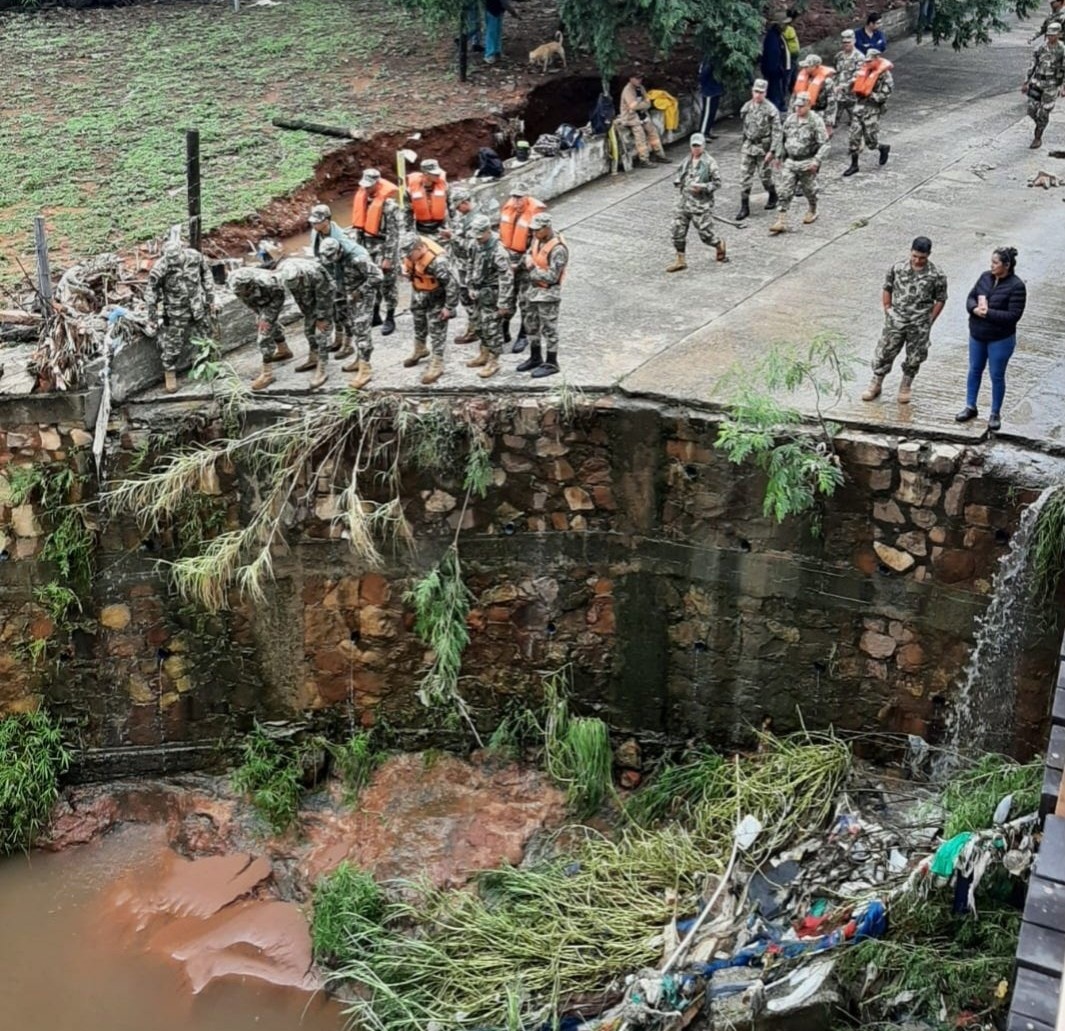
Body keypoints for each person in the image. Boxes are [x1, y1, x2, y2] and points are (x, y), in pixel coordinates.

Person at [860, 236, 948, 405]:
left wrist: (930, 319)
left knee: (915, 356)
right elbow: (887, 287)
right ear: (911, 252)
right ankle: (876, 383)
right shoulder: (898, 268)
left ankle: (905, 385)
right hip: (897, 320)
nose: (917, 260)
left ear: (929, 255)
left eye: (922, 257)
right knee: (885, 351)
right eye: (915, 256)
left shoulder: (936, 274)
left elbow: (941, 299)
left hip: (919, 322)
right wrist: (887, 308)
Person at [955, 247, 1027, 431]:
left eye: (996, 263)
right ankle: (970, 405)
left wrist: (989, 313)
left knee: (996, 375)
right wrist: (973, 309)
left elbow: (1013, 316)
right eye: (992, 262)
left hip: (1000, 338)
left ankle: (995, 412)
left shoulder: (1017, 286)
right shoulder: (985, 277)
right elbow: (971, 297)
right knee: (974, 370)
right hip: (978, 334)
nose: (992, 266)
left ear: (1007, 265)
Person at [144, 237, 216, 394]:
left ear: (182, 252)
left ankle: (211, 366)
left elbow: (206, 274)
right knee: (173, 345)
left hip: (198, 306)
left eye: (176, 258)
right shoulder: (160, 268)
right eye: (171, 259)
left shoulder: (194, 257)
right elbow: (151, 295)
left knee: (207, 336)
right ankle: (170, 374)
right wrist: (152, 318)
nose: (174, 262)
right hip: (176, 311)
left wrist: (210, 297)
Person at [317, 235, 384, 390]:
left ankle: (365, 369)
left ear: (339, 250)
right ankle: (359, 359)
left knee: (362, 331)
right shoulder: (335, 257)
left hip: (362, 295)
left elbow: (377, 276)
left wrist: (359, 292)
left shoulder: (357, 258)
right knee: (353, 327)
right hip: (348, 292)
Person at [399, 233, 460, 385]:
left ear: (420, 248)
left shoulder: (438, 262)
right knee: (419, 322)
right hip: (419, 292)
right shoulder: (411, 253)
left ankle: (437, 362)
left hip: (436, 296)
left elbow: (452, 285)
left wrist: (449, 307)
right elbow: (409, 267)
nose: (408, 257)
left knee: (436, 328)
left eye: (410, 254)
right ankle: (420, 349)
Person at [769, 92, 829, 234]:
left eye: (801, 106)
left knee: (810, 190)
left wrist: (816, 161)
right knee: (784, 191)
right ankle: (781, 219)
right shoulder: (790, 120)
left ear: (808, 105)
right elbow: (782, 139)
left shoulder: (815, 121)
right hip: (790, 161)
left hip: (806, 161)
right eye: (796, 106)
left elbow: (825, 144)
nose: (798, 109)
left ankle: (812, 209)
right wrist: (778, 156)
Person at [350, 168, 400, 336]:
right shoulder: (363, 199)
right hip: (367, 247)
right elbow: (358, 227)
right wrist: (357, 251)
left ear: (377, 184)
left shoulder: (390, 206)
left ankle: (391, 316)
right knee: (372, 282)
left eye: (369, 186)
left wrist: (388, 257)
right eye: (364, 185)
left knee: (388, 284)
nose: (366, 189)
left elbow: (394, 234)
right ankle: (375, 313)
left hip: (383, 247)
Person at [464, 213, 514, 380]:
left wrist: (504, 302)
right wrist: (470, 284)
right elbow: (469, 263)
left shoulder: (499, 252)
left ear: (488, 231)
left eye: (480, 235)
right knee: (478, 325)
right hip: (478, 292)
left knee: (492, 328)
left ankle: (494, 360)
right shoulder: (474, 244)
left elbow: (506, 278)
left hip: (493, 294)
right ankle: (483, 354)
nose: (477, 239)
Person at [667, 132, 727, 270]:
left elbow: (717, 183)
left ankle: (718, 244)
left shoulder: (709, 163)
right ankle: (680, 259)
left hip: (700, 204)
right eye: (694, 146)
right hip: (683, 202)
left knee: (706, 235)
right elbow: (680, 174)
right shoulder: (686, 161)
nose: (696, 149)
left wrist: (703, 188)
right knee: (677, 230)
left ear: (703, 146)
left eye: (698, 146)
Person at [497, 181, 545, 353]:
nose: (516, 201)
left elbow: (537, 242)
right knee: (505, 297)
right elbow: (501, 235)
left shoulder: (536, 215)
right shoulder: (508, 209)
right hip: (507, 259)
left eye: (520, 197)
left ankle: (523, 335)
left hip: (525, 262)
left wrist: (522, 261)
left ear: (527, 197)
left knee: (526, 301)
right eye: (514, 197)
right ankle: (504, 331)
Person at [519, 212, 568, 378]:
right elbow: (529, 253)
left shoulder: (558, 249)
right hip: (533, 291)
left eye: (537, 230)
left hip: (548, 293)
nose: (534, 233)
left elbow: (553, 276)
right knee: (531, 324)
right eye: (532, 230)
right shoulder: (537, 239)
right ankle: (535, 356)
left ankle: (552, 362)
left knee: (549, 328)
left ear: (547, 228)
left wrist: (532, 268)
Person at [227, 266, 289, 392]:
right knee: (263, 322)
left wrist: (267, 318)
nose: (238, 291)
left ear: (250, 285)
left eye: (242, 289)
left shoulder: (270, 283)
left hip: (273, 299)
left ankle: (267, 375)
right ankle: (284, 350)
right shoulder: (233, 281)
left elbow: (278, 298)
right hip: (255, 301)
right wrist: (259, 314)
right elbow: (243, 298)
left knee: (264, 334)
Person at [279, 257, 334, 390]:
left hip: (324, 297)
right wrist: (308, 314)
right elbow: (297, 296)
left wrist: (321, 318)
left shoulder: (315, 274)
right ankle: (313, 358)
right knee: (309, 330)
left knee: (322, 333)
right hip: (307, 299)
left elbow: (325, 297)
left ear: (301, 275)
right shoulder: (284, 271)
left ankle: (322, 368)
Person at [736, 79, 782, 220]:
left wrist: (773, 152)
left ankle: (773, 195)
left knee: (765, 177)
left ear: (765, 93)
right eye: (756, 91)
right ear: (752, 91)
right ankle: (744, 206)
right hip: (749, 147)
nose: (758, 95)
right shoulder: (746, 107)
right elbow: (745, 127)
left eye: (761, 92)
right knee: (745, 177)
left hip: (763, 148)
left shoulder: (771, 110)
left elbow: (777, 132)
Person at [842, 48, 894, 176]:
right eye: (867, 61)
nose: (868, 63)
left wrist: (870, 93)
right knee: (854, 137)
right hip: (858, 107)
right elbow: (852, 83)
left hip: (872, 109)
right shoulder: (863, 71)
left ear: (877, 59)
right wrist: (850, 85)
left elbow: (884, 96)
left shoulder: (885, 76)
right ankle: (854, 165)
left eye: (870, 61)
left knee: (871, 140)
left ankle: (882, 148)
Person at [444, 185, 483, 345]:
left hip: (470, 266)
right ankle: (475, 325)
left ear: (466, 202)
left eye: (459, 206)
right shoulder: (465, 217)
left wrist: (452, 237)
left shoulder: (477, 220)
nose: (458, 210)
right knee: (465, 296)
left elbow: (472, 246)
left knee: (471, 297)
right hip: (461, 264)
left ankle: (476, 328)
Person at [1022, 22, 1065, 149]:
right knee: (1031, 110)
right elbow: (1032, 65)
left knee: (1044, 112)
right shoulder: (1040, 48)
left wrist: (1063, 87)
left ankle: (1037, 137)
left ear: (1059, 35)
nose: (1050, 37)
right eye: (1048, 34)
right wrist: (1026, 82)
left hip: (1051, 85)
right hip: (1037, 82)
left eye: (1053, 35)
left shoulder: (1062, 50)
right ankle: (1041, 123)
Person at [618, 72, 670, 167]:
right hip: (631, 118)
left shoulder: (641, 88)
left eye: (640, 78)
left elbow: (648, 103)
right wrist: (642, 105)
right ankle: (644, 160)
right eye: (637, 78)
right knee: (640, 136)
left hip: (642, 115)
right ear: (631, 79)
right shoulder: (628, 90)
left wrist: (642, 105)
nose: (639, 80)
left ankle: (659, 155)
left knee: (653, 132)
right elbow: (633, 106)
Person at [406, 158, 450, 238]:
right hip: (420, 230)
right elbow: (406, 212)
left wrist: (450, 228)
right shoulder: (410, 190)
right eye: (435, 174)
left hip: (441, 229)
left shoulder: (444, 186)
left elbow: (451, 207)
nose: (438, 175)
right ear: (426, 174)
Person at [791, 54, 837, 125]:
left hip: (819, 113)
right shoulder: (803, 77)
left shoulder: (827, 81)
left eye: (807, 66)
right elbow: (794, 97)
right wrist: (791, 114)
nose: (804, 68)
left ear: (816, 67)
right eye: (804, 66)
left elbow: (832, 103)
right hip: (802, 111)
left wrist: (829, 122)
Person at [833, 30, 863, 133]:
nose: (846, 45)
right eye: (844, 42)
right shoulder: (839, 56)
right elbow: (836, 72)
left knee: (856, 121)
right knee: (832, 121)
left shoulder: (859, 57)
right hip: (838, 95)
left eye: (848, 42)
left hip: (852, 94)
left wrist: (844, 86)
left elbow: (858, 76)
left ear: (854, 41)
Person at [761, 14, 790, 113]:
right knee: (774, 95)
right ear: (779, 25)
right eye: (784, 24)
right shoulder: (772, 38)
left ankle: (779, 107)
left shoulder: (778, 35)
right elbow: (772, 56)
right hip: (775, 73)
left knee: (779, 93)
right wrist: (778, 70)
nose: (786, 26)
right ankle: (775, 113)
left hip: (778, 72)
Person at [484, 0, 520, 65]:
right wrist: (513, 13)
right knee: (492, 33)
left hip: (498, 11)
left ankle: (497, 52)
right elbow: (504, 3)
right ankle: (489, 54)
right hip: (492, 10)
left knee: (497, 32)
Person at [698, 55, 724, 139]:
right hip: (709, 90)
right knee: (707, 112)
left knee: (713, 112)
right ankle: (703, 133)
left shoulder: (718, 58)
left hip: (715, 89)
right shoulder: (709, 59)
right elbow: (703, 74)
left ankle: (708, 131)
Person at [783, 9, 801, 91]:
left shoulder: (789, 28)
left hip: (792, 55)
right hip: (790, 55)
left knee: (791, 74)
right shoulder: (787, 29)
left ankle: (792, 89)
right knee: (790, 74)